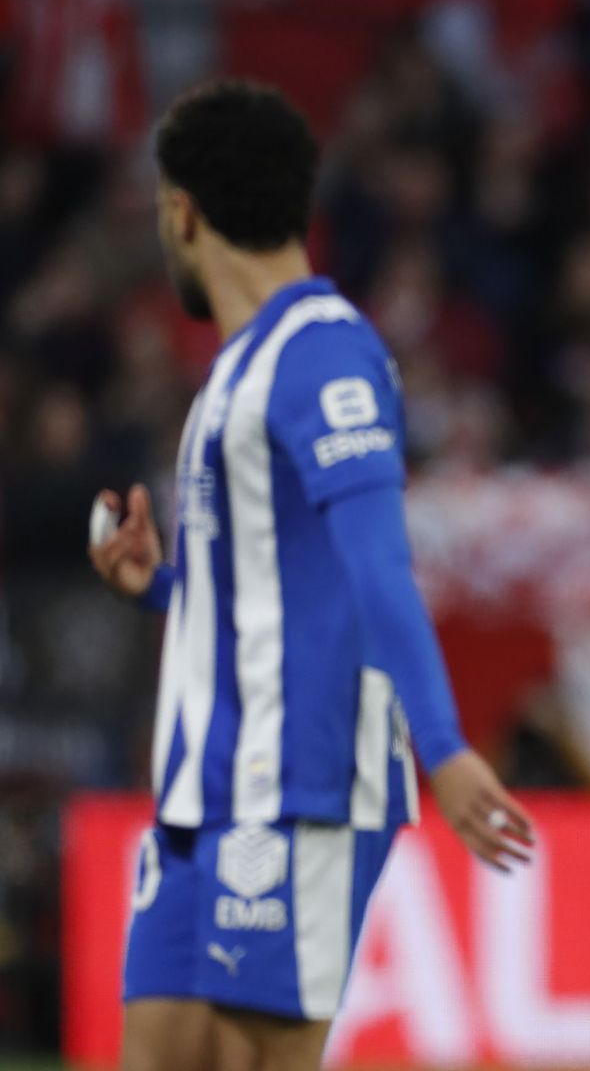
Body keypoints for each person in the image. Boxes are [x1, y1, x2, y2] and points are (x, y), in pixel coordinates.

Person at [86, 80, 533, 1071]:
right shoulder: (237, 373)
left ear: (181, 212)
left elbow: (379, 562)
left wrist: (445, 746)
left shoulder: (322, 354)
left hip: (299, 785)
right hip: (202, 786)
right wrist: (159, 587)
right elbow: (280, 591)